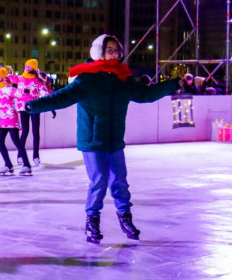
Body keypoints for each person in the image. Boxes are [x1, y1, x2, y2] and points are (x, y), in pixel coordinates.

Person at [25, 34, 180, 244]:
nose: (115, 54)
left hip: (114, 140)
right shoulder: (87, 79)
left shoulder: (122, 79)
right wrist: (33, 106)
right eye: (110, 50)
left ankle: (125, 217)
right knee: (99, 181)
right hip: (92, 141)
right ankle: (92, 221)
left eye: (117, 50)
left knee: (120, 181)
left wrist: (175, 83)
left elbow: (147, 94)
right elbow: (62, 97)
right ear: (99, 52)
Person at [8, 59, 49, 167]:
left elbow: (45, 93)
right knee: (25, 131)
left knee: (36, 132)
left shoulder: (38, 80)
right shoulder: (20, 78)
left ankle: (36, 156)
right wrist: (2, 70)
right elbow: (9, 78)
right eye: (26, 65)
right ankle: (20, 155)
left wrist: (51, 106)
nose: (27, 67)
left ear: (34, 67)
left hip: (35, 107)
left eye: (29, 66)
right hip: (23, 108)